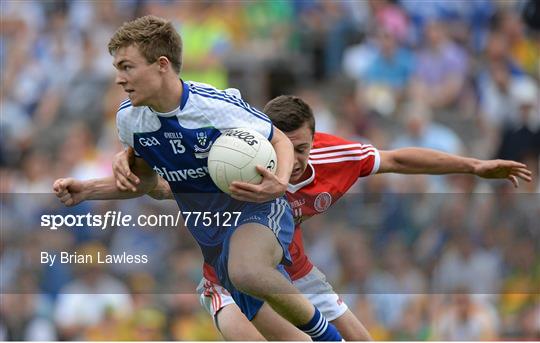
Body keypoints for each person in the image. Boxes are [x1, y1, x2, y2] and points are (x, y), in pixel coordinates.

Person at [113, 95, 532, 340]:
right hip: (226, 276)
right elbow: (167, 185)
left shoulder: (337, 155)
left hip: (294, 270)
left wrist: (474, 166)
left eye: (304, 146)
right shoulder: (232, 159)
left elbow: (399, 159)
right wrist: (130, 168)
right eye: (287, 148)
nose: (295, 159)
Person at [53, 15, 343, 341]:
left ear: (161, 65)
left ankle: (330, 338)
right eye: (117, 68)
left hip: (257, 211)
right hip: (213, 243)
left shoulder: (212, 107)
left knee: (246, 270)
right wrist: (87, 190)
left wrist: (278, 180)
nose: (119, 78)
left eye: (127, 67)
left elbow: (277, 139)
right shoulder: (130, 121)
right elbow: (147, 184)